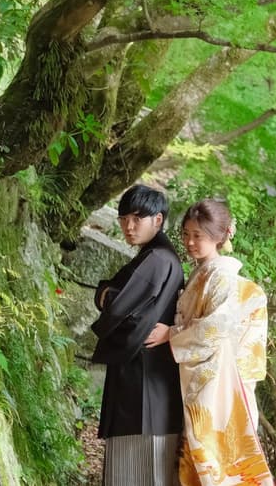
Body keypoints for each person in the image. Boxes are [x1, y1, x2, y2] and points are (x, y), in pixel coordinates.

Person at [145, 199, 273, 486]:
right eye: (186, 234)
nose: (190, 242)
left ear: (219, 236)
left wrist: (171, 334)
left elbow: (216, 326)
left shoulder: (220, 275)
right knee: (201, 460)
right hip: (204, 378)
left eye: (198, 236)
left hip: (217, 384)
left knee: (213, 462)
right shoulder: (205, 272)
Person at [91, 184, 187, 485]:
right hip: (148, 375)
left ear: (157, 220)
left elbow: (118, 305)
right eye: (123, 219)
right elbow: (115, 297)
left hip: (144, 376)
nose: (128, 227)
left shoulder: (157, 258)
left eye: (137, 218)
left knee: (139, 470)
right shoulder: (157, 255)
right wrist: (109, 294)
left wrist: (108, 295)